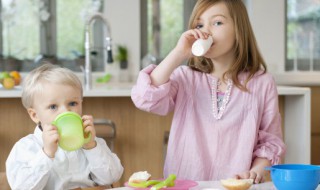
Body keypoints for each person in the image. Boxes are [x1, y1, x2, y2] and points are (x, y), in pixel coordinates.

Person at [131, 0, 286, 184]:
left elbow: (270, 143)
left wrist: (254, 172)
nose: (206, 31)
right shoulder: (185, 78)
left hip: (234, 186)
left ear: (239, 29)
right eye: (200, 24)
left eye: (217, 22)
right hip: (185, 185)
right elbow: (145, 97)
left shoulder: (262, 83)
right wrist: (178, 53)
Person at [6, 63, 123, 190]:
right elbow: (21, 187)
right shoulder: (26, 148)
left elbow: (113, 177)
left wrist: (91, 147)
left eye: (73, 103)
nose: (66, 112)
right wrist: (47, 153)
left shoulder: (92, 142)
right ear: (35, 115)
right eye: (53, 107)